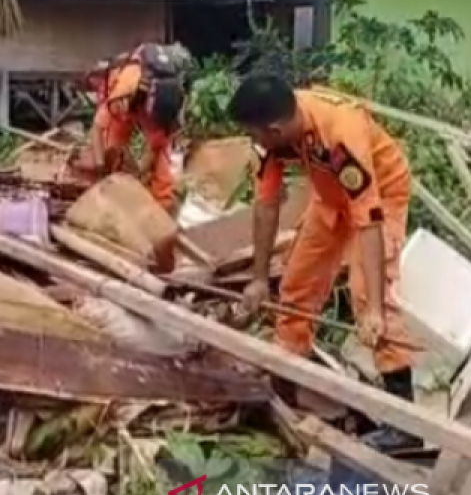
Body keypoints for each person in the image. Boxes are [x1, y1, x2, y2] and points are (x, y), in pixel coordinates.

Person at [227, 74, 416, 450]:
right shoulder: (272, 138)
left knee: (367, 295)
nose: (253, 142)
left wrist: (375, 309)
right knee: (297, 281)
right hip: (330, 196)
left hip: (381, 194)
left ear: (275, 129)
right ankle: (284, 386)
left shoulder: (341, 133)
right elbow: (266, 205)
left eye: (255, 135)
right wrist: (260, 278)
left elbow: (368, 218)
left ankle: (404, 420)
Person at [81, 42, 191, 213]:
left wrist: (139, 174)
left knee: (161, 166)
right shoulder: (125, 90)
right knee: (113, 149)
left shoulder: (170, 101)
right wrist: (100, 166)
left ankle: (162, 209)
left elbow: (155, 145)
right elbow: (97, 129)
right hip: (128, 105)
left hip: (149, 106)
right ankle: (112, 190)